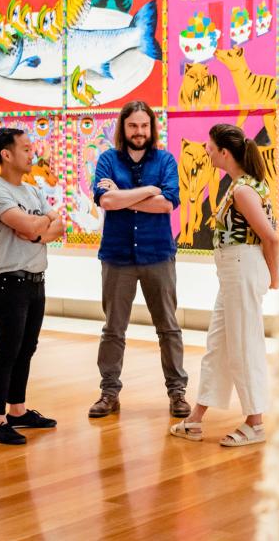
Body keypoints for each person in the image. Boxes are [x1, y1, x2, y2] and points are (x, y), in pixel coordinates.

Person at [170, 124, 279, 447]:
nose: (206, 150)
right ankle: (196, 419)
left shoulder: (244, 191)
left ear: (224, 152)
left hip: (242, 269)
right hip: (233, 272)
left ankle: (255, 422)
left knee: (244, 345)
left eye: (209, 146)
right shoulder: (239, 187)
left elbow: (270, 236)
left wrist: (275, 276)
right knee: (218, 345)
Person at [89, 101, 189, 419]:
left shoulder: (165, 160)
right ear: (124, 128)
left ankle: (177, 394)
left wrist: (123, 196)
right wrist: (147, 189)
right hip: (117, 257)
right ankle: (108, 393)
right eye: (133, 126)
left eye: (144, 126)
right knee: (113, 329)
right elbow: (105, 200)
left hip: (158, 254)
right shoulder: (107, 159)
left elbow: (165, 206)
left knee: (168, 328)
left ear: (151, 128)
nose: (139, 132)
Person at [0, 127, 63, 445]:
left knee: (26, 349)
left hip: (35, 281)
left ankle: (17, 410)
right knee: (7, 350)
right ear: (7, 154)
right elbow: (32, 223)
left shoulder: (32, 191)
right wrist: (39, 225)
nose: (32, 153)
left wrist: (37, 232)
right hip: (7, 283)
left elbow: (59, 225)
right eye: (26, 149)